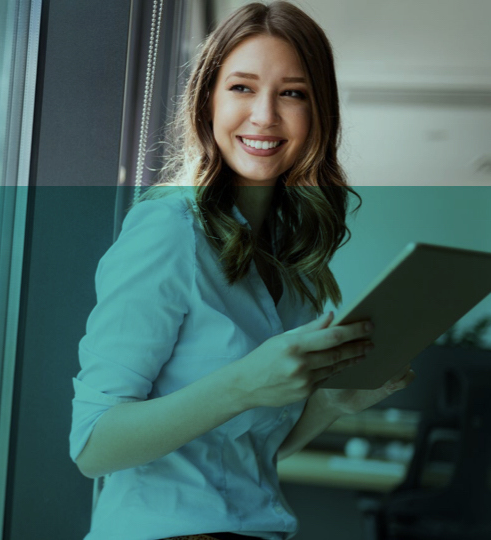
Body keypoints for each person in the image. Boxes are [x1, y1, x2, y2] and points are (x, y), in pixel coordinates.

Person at [69, 2, 415, 540]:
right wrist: (243, 384)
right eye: (242, 88)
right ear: (207, 100)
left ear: (319, 113)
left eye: (293, 93)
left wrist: (329, 402)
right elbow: (93, 446)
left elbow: (248, 456)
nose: (265, 116)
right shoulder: (168, 230)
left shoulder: (293, 261)